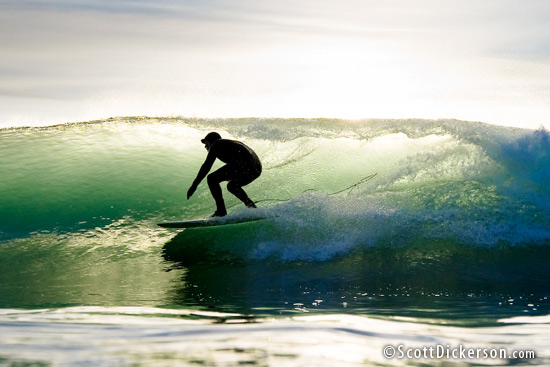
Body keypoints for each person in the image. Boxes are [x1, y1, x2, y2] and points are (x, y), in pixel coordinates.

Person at [187, 132, 262, 217]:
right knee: (232, 186)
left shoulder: (216, 144)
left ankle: (221, 211)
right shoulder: (230, 144)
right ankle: (251, 206)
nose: (205, 146)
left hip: (244, 164)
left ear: (211, 141)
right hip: (256, 169)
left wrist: (194, 185)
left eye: (206, 143)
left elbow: (206, 166)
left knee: (212, 179)